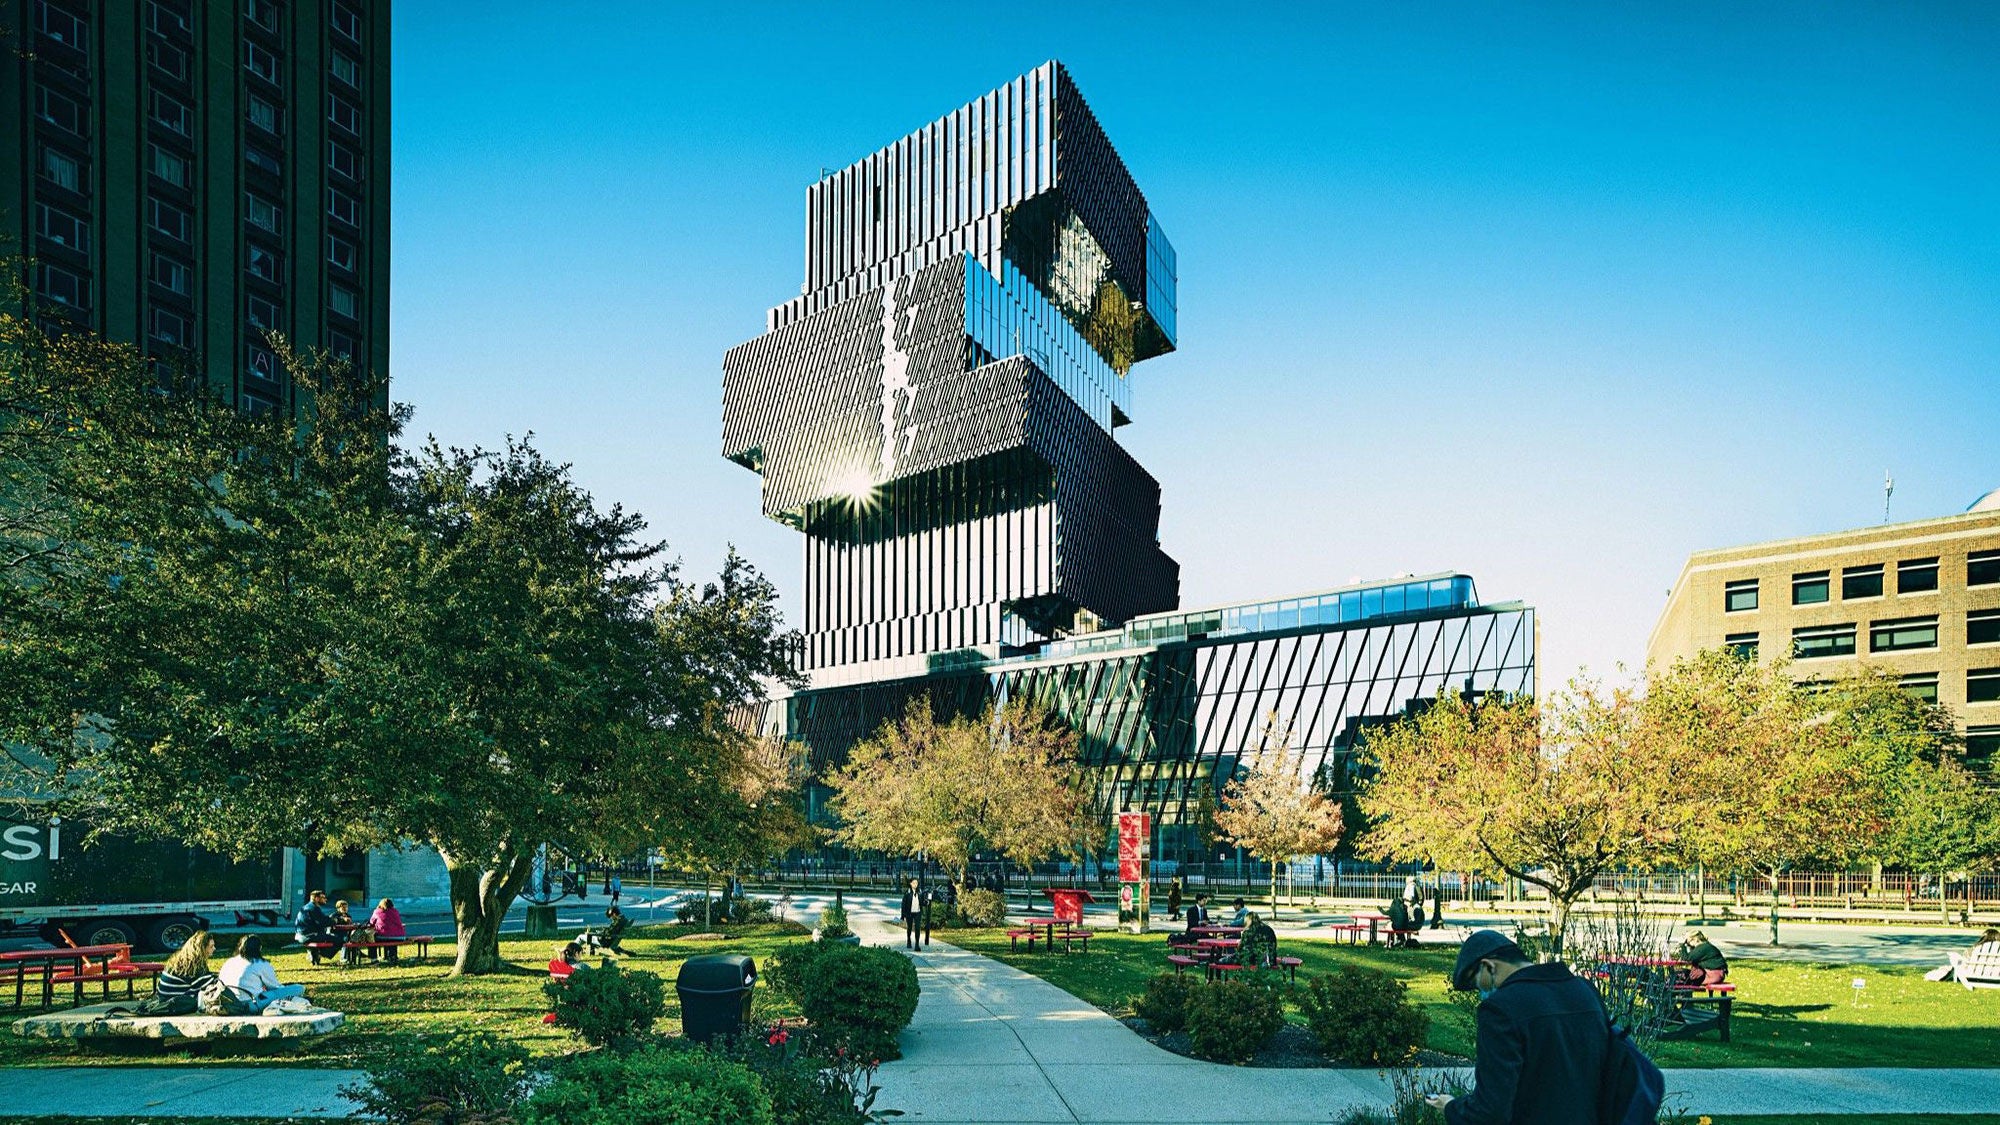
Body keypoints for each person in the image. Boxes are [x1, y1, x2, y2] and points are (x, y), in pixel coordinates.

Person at [1427, 929, 1608, 1124]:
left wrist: (1451, 1107)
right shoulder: (1585, 990)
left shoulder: (1500, 1009)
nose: (1481, 992)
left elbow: (1490, 1110)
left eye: (1478, 984)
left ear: (1489, 966)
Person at [219, 935, 306, 1014]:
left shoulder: (229, 962)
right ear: (259, 948)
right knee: (299, 988)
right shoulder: (259, 963)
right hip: (250, 1005)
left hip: (229, 1003)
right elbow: (274, 987)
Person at [155, 930, 218, 1007]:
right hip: (177, 1003)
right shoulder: (196, 966)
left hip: (163, 999)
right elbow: (210, 985)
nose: (214, 948)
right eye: (211, 946)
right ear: (202, 948)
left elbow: (204, 979)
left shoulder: (180, 961)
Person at [293, 889, 335, 964]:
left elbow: (319, 921)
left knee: (324, 935)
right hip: (308, 936)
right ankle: (322, 954)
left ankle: (314, 954)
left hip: (300, 935)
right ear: (316, 898)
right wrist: (335, 921)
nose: (325, 899)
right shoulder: (314, 908)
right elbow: (323, 922)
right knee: (338, 939)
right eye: (323, 897)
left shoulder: (306, 907)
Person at [368, 898, 406, 964]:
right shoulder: (395, 911)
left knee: (371, 939)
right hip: (399, 937)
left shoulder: (377, 911)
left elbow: (371, 922)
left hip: (383, 936)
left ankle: (374, 958)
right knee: (391, 936)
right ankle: (392, 956)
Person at [901, 878, 924, 951]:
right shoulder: (907, 893)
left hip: (917, 912)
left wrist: (926, 902)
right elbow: (903, 904)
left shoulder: (920, 892)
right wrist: (903, 915)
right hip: (909, 913)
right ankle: (909, 940)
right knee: (910, 927)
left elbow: (922, 902)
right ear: (910, 884)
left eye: (916, 883)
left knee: (917, 928)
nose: (915, 885)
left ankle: (917, 944)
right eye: (914, 883)